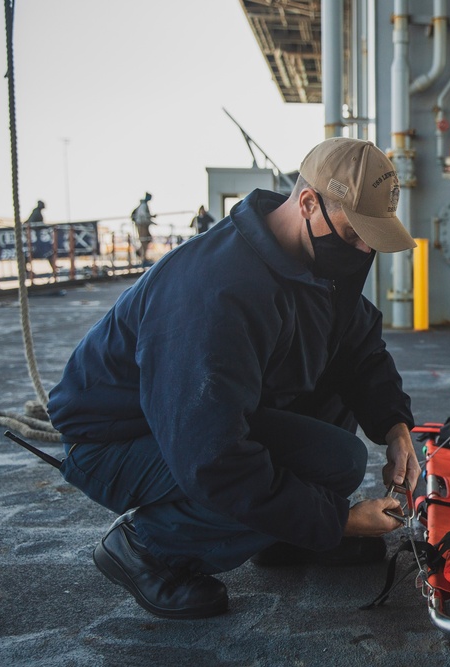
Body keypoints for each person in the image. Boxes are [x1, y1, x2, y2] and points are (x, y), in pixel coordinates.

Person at [47, 138, 420, 620]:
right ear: (308, 203)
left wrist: (396, 429)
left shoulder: (316, 260)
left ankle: (287, 534)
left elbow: (358, 348)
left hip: (203, 423)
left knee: (335, 441)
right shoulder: (214, 290)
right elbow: (213, 458)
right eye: (354, 234)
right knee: (336, 462)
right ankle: (146, 547)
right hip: (117, 441)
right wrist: (339, 522)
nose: (364, 249)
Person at [131, 192, 155, 261]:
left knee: (147, 239)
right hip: (142, 225)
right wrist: (151, 221)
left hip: (144, 225)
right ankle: (142, 256)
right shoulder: (143, 205)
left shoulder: (144, 205)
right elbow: (143, 216)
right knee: (144, 240)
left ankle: (140, 252)